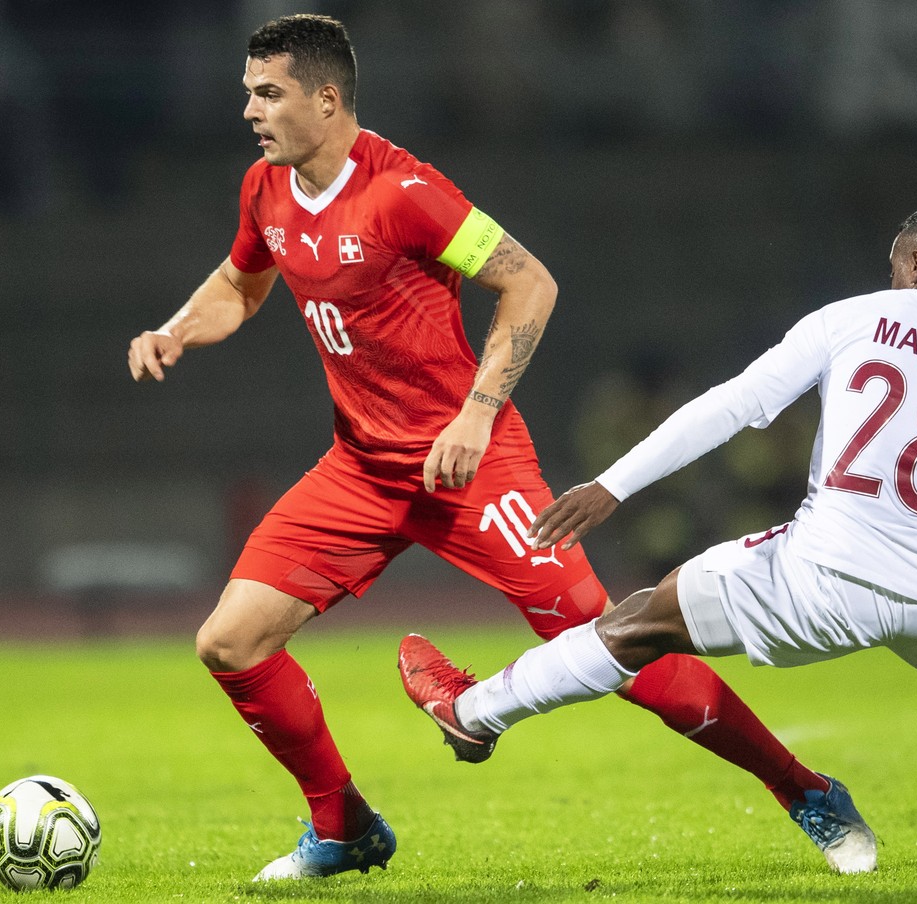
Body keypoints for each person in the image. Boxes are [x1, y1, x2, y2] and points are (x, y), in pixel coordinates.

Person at [126, 14, 835, 883]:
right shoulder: (266, 189)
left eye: (266, 93)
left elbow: (530, 281)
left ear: (327, 98)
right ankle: (345, 825)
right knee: (229, 642)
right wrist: (175, 330)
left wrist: (475, 411)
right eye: (247, 92)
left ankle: (802, 788)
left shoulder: (404, 192)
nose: (249, 110)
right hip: (360, 469)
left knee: (620, 649)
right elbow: (242, 283)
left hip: (471, 464)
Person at [399, 202, 917, 876]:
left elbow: (735, 405)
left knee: (639, 623)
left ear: (913, 261)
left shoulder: (854, 318)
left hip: (818, 576)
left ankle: (479, 713)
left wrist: (613, 484)